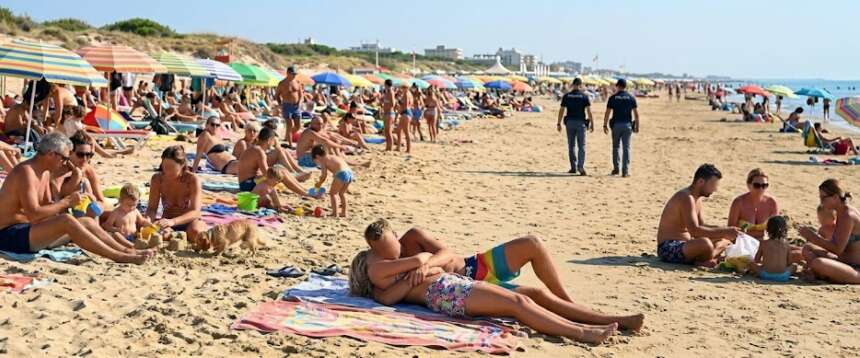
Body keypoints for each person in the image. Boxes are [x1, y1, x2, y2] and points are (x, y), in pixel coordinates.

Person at [349, 220, 624, 344]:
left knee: (530, 269)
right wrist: (417, 269)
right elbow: (390, 293)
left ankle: (593, 318)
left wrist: (424, 264)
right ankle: (581, 331)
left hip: (467, 272)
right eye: (381, 256)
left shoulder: (404, 253)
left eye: (391, 249)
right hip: (449, 289)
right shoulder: (383, 273)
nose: (390, 257)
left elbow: (444, 254)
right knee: (526, 299)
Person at [0, 132, 152, 263]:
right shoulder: (26, 172)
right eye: (65, 158)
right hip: (9, 235)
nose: (66, 162)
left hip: (28, 231)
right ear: (51, 154)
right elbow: (33, 214)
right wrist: (65, 202)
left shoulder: (45, 172)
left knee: (85, 221)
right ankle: (118, 256)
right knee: (66, 221)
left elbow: (48, 207)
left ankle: (127, 250)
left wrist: (70, 202)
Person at [656, 164, 740, 267]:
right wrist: (724, 232)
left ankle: (707, 259)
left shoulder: (697, 199)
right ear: (701, 182)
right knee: (705, 243)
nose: (715, 189)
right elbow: (695, 231)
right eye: (713, 185)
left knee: (724, 241)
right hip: (668, 248)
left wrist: (727, 230)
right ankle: (706, 260)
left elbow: (702, 225)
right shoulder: (686, 197)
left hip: (686, 245)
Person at [800, 179, 860, 284]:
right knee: (808, 248)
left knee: (818, 263)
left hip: (856, 269)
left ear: (835, 197)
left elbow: (837, 249)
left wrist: (813, 236)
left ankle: (819, 273)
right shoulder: (843, 211)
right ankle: (820, 273)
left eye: (823, 198)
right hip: (845, 262)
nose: (821, 202)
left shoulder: (847, 216)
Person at [145, 146, 208, 245]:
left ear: (182, 165)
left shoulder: (192, 180)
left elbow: (195, 211)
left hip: (189, 221)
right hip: (167, 221)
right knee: (160, 235)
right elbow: (152, 208)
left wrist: (173, 221)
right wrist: (148, 220)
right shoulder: (158, 179)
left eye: (171, 168)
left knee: (196, 233)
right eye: (165, 167)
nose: (167, 171)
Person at [236, 127, 311, 197]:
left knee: (281, 169)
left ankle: (304, 190)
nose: (274, 143)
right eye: (273, 141)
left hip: (248, 182)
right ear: (269, 140)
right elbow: (267, 174)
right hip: (247, 185)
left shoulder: (256, 149)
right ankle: (305, 194)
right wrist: (279, 174)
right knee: (280, 173)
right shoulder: (259, 152)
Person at [727, 169, 779, 240]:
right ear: (748, 185)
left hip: (763, 243)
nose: (761, 189)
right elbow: (729, 230)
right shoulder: (739, 203)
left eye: (764, 185)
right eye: (757, 185)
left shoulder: (771, 203)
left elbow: (776, 231)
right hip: (743, 243)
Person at [602, 79, 639, 177]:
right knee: (626, 148)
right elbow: (636, 114)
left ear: (617, 86)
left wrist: (605, 124)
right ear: (625, 86)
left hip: (616, 125)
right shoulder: (631, 98)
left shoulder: (613, 98)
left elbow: (607, 113)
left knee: (615, 147)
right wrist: (637, 126)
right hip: (627, 125)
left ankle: (616, 169)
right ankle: (625, 171)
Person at [557, 78, 594, 175]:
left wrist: (559, 123)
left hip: (569, 122)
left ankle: (573, 167)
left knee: (571, 145)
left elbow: (561, 110)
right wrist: (592, 123)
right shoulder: (584, 96)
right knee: (581, 146)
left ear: (573, 84)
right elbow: (589, 111)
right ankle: (580, 166)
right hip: (580, 122)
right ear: (581, 85)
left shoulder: (567, 96)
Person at [749, 216, 797, 282]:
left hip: (766, 275)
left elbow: (756, 260)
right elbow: (789, 263)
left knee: (751, 264)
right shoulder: (786, 244)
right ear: (785, 229)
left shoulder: (763, 243)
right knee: (794, 266)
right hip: (783, 276)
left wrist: (764, 263)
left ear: (768, 229)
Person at [311, 144, 354, 217]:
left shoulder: (323, 161)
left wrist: (319, 183)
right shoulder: (334, 156)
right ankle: (344, 212)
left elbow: (324, 175)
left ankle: (335, 213)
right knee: (342, 194)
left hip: (341, 174)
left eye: (316, 159)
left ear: (317, 156)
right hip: (350, 173)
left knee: (332, 194)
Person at [276, 66, 304, 147]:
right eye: (293, 74)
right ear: (287, 73)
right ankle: (290, 144)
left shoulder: (297, 82)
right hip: (286, 105)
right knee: (289, 124)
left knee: (298, 126)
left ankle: (288, 135)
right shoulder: (282, 83)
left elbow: (301, 95)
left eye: (295, 74)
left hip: (296, 106)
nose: (294, 75)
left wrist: (300, 103)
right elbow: (277, 95)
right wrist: (280, 104)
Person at [394, 83, 413, 153]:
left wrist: (399, 101)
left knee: (406, 132)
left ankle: (408, 149)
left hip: (405, 113)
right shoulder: (409, 94)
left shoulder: (406, 94)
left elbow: (405, 105)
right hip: (406, 113)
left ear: (406, 88)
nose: (402, 89)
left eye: (403, 88)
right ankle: (398, 147)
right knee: (398, 130)